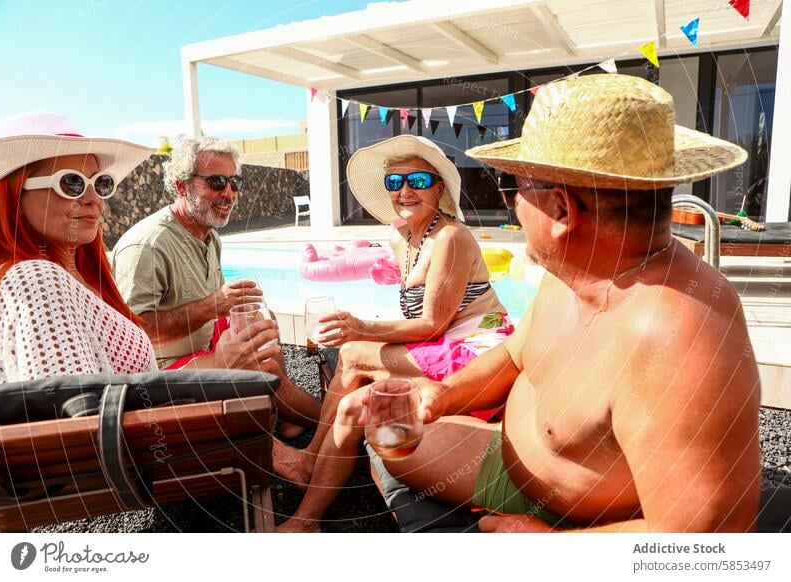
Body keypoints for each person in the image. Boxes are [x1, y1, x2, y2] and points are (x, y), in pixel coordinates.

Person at [336, 74, 762, 533]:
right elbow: (518, 353)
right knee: (381, 430)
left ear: (561, 210)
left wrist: (547, 543)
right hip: (510, 459)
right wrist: (446, 394)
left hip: (592, 527)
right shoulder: (573, 273)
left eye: (515, 187)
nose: (513, 205)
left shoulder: (681, 334)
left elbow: (707, 538)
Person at [276, 135, 513, 532]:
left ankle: (308, 470)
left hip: (472, 349)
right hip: (443, 343)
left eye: (418, 181)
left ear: (439, 188)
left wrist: (361, 327)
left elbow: (431, 323)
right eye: (394, 182)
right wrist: (365, 333)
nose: (405, 191)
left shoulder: (450, 238)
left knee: (352, 355)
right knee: (353, 367)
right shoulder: (399, 236)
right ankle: (311, 467)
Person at [111, 136, 320, 432]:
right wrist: (211, 306)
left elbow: (218, 310)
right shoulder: (149, 246)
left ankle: (286, 413)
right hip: (162, 373)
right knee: (259, 365)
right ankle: (335, 425)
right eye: (217, 182)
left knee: (263, 325)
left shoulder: (209, 236)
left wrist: (243, 316)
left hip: (202, 343)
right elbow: (134, 333)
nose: (229, 193)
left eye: (235, 183)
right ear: (182, 186)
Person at [0, 112, 158, 382]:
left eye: (101, 183)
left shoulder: (75, 277)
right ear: (15, 198)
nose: (94, 199)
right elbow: (71, 414)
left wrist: (213, 364)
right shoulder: (37, 281)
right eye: (71, 182)